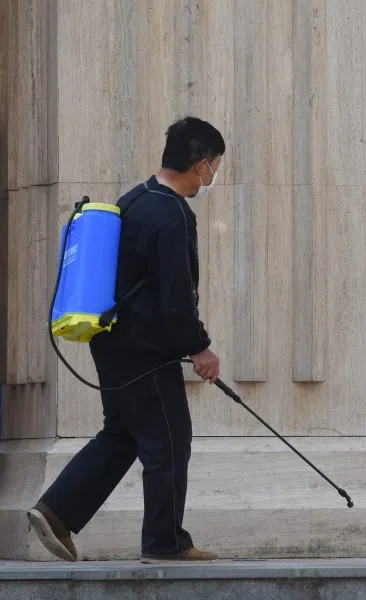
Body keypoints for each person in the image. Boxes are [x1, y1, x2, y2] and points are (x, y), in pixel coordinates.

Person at [27, 117, 225, 563]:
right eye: (214, 166)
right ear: (201, 165)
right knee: (170, 439)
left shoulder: (134, 199)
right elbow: (176, 296)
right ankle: (165, 543)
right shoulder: (173, 213)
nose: (213, 175)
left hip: (110, 339)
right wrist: (199, 347)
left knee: (123, 434)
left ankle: (56, 511)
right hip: (146, 350)